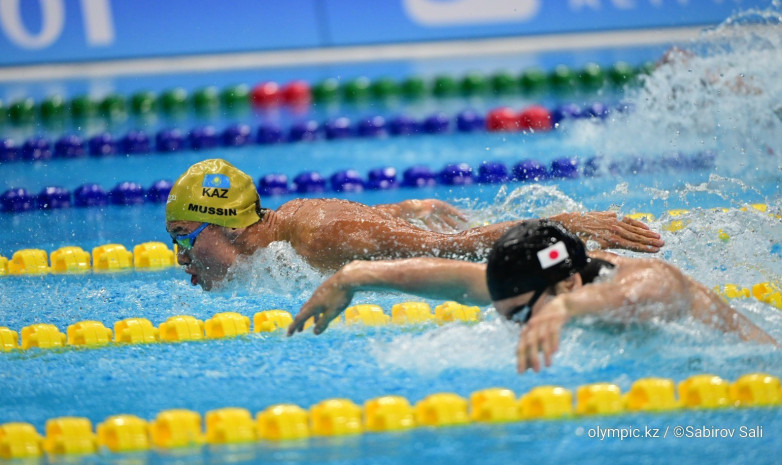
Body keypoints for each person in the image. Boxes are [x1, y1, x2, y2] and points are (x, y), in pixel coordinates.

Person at [287, 220, 778, 372]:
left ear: (567, 284)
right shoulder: (538, 284)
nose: (518, 325)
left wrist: (566, 309)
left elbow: (658, 289)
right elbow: (454, 278)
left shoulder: (640, 282)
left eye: (522, 315)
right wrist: (353, 275)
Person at [166, 159, 664, 290]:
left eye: (183, 239)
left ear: (227, 226)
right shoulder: (288, 227)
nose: (181, 257)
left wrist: (564, 225)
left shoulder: (319, 236)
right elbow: (364, 225)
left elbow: (459, 248)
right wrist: (403, 210)